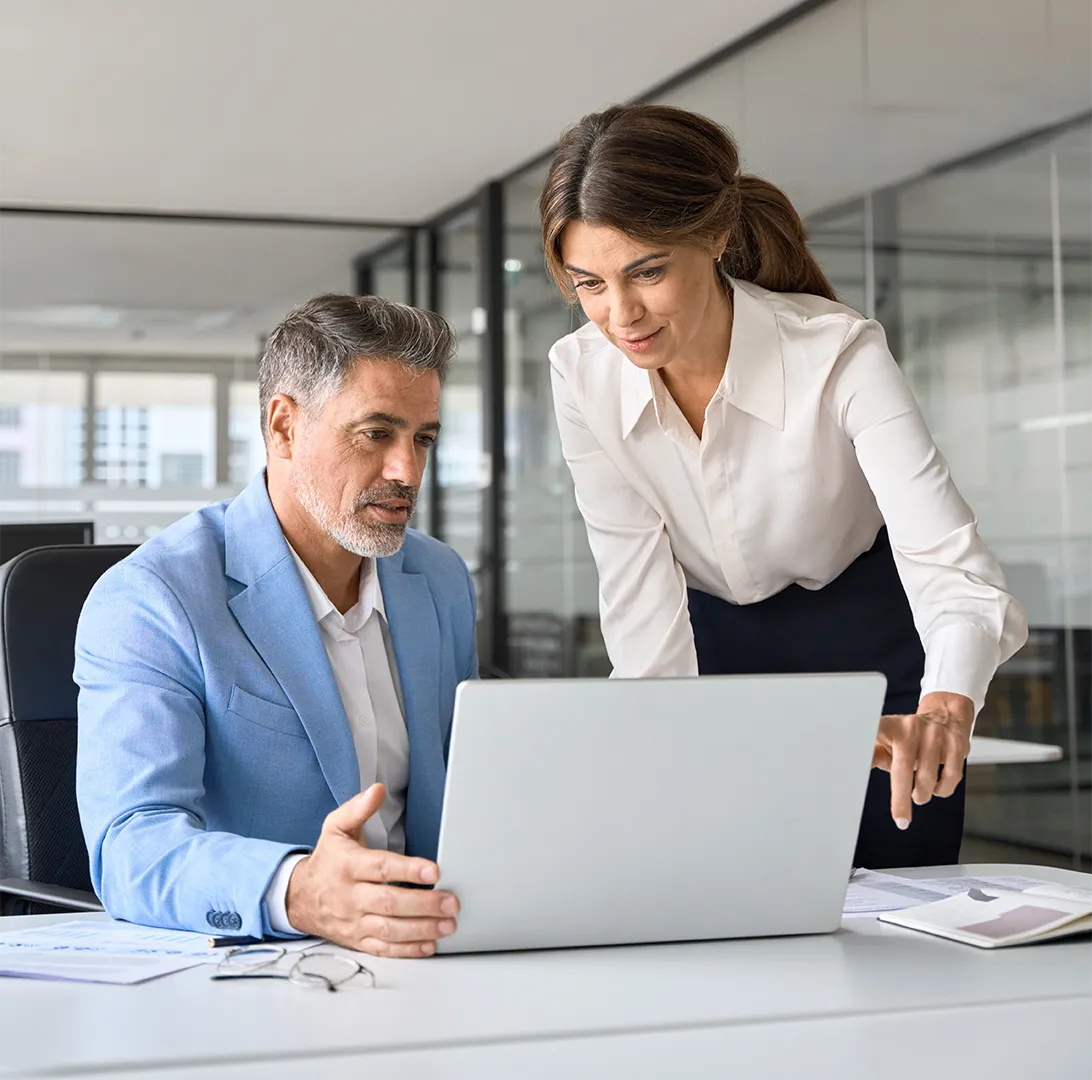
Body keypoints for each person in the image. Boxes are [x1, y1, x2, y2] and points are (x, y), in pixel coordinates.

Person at [540, 104, 1028, 869]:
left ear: (714, 236)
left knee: (898, 900)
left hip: (868, 640)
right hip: (712, 644)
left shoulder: (838, 352)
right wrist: (648, 746)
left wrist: (944, 706)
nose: (620, 315)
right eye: (589, 285)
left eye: (648, 271)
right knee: (715, 885)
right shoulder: (581, 375)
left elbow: (952, 567)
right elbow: (634, 584)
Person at [76, 294, 476, 957]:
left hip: (439, 952)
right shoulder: (151, 599)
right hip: (269, 965)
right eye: (376, 433)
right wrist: (298, 891)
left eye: (423, 438)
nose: (408, 471)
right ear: (284, 427)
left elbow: (471, 790)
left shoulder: (439, 579)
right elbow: (132, 846)